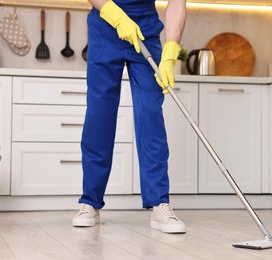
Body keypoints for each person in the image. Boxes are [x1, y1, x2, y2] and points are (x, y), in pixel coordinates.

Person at [72, 0, 187, 234]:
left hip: (145, 31)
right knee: (99, 116)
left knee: (151, 116)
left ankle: (159, 203)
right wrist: (115, 15)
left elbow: (177, 3)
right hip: (105, 27)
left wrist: (170, 54)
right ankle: (90, 202)